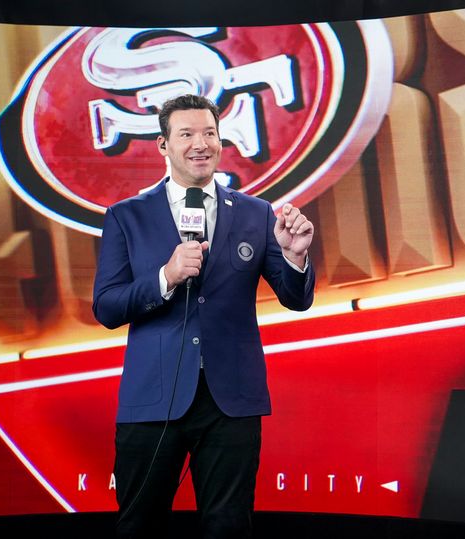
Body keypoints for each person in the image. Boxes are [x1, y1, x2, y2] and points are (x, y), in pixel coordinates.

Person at [93, 93, 315, 538]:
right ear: (163, 144)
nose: (201, 144)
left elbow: (296, 299)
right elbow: (108, 307)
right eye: (187, 134)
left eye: (210, 133)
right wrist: (166, 277)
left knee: (229, 526)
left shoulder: (255, 213)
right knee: (138, 526)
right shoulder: (127, 217)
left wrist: (295, 257)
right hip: (152, 397)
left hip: (230, 400)